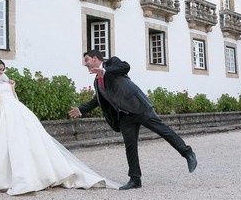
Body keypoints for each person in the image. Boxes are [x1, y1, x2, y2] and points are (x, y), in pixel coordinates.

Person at [0, 57, 118, 195]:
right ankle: (13, 177)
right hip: (5, 116)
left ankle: (41, 174)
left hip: (19, 112)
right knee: (10, 146)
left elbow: (14, 99)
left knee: (31, 143)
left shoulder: (6, 82)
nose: (2, 73)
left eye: (3, 70)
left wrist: (12, 88)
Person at [69, 50, 197, 190]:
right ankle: (135, 179)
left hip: (139, 107)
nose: (85, 63)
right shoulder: (97, 82)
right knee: (130, 147)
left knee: (163, 131)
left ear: (94, 58)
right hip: (124, 115)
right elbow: (97, 100)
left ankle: (188, 153)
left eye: (87, 60)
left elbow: (125, 67)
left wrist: (104, 70)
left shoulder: (112, 63)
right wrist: (81, 110)